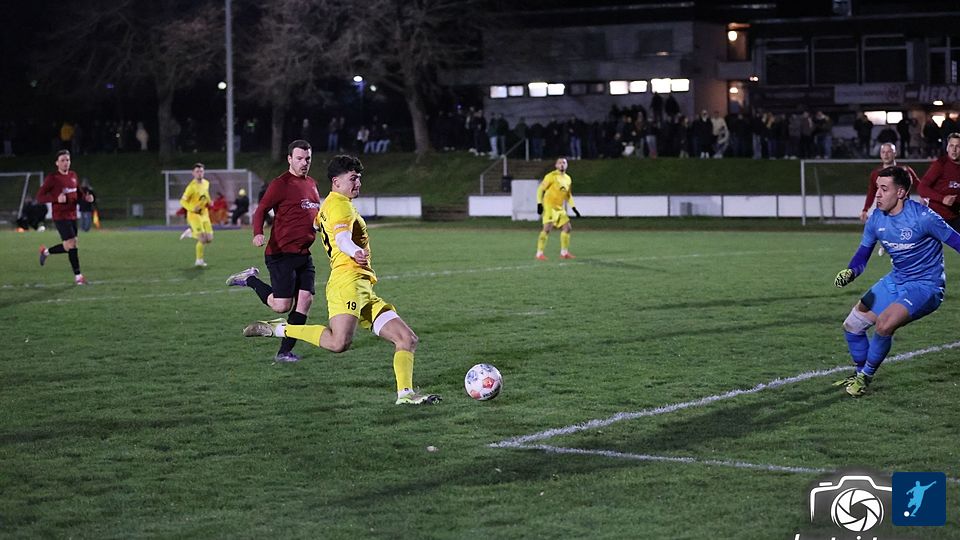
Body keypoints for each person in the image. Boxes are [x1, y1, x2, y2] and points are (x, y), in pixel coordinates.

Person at [241, 155, 441, 406]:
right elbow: (342, 237)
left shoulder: (329, 204)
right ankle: (280, 328)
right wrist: (353, 250)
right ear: (336, 181)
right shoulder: (340, 206)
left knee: (406, 339)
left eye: (359, 178)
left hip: (362, 285)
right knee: (338, 343)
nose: (358, 183)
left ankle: (406, 395)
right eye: (353, 178)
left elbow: (318, 224)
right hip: (347, 282)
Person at [833, 166, 960, 397]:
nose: (877, 194)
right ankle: (859, 373)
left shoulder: (924, 217)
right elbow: (862, 255)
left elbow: (957, 242)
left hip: (926, 286)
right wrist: (850, 272)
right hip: (897, 279)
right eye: (877, 188)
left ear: (900, 192)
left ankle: (865, 377)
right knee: (853, 325)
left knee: (884, 324)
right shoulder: (876, 219)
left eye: (884, 189)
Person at [225, 140, 320, 363]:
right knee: (281, 306)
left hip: (303, 254)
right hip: (281, 254)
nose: (304, 163)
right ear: (289, 159)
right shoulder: (280, 184)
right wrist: (257, 233)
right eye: (299, 158)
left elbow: (313, 214)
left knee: (305, 301)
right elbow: (261, 210)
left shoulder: (312, 184)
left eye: (307, 158)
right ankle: (250, 279)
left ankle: (284, 352)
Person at [36, 150, 94, 285]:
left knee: (69, 246)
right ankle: (78, 277)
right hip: (60, 216)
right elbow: (39, 197)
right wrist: (56, 198)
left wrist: (86, 198)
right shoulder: (52, 178)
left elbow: (78, 193)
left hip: (72, 215)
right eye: (62, 160)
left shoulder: (73, 175)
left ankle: (46, 252)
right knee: (72, 244)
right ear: (57, 163)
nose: (65, 163)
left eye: (67, 160)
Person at [860, 143, 919, 223]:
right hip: (883, 213)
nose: (886, 155)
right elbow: (871, 193)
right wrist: (865, 209)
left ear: (895, 153)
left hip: (902, 212)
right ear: (880, 154)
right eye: (883, 152)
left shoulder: (905, 170)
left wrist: (925, 198)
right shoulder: (876, 173)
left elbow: (920, 186)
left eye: (889, 152)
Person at [535, 157, 580, 260]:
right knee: (547, 229)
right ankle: (539, 253)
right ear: (556, 165)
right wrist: (539, 204)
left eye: (564, 163)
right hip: (549, 206)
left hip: (559, 208)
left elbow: (568, 195)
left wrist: (573, 207)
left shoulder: (568, 179)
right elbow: (540, 190)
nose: (562, 165)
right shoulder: (551, 176)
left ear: (567, 165)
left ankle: (564, 253)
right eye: (559, 163)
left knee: (567, 228)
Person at [916, 132, 960, 230]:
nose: (954, 149)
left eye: (957, 146)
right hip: (937, 217)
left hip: (955, 217)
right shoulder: (940, 164)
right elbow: (921, 188)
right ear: (947, 148)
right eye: (951, 146)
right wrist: (942, 198)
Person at [179, 163, 214, 267]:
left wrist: (210, 202)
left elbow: (206, 194)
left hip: (204, 214)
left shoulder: (206, 183)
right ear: (193, 173)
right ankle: (199, 260)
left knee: (209, 239)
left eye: (201, 171)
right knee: (202, 239)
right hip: (194, 215)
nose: (199, 173)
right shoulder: (191, 187)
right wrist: (191, 208)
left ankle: (191, 233)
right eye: (197, 171)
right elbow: (182, 201)